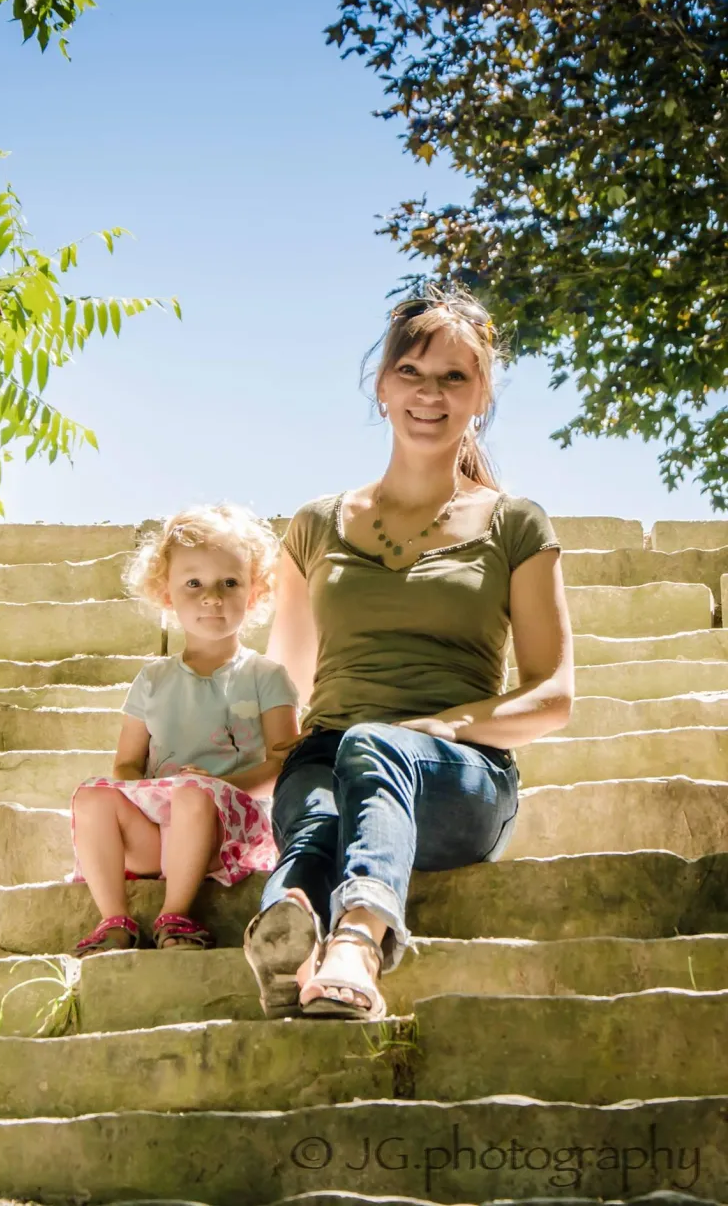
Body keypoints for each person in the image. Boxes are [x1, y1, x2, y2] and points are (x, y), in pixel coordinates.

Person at [243, 286, 575, 1021]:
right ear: (382, 386)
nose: (431, 394)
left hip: (461, 778)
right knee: (320, 810)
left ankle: (360, 939)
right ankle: (290, 931)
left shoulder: (515, 523)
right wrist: (212, 778)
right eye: (413, 373)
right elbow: (282, 686)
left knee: (372, 746)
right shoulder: (316, 525)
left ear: (482, 394)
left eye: (454, 376)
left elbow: (553, 694)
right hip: (328, 754)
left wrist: (442, 727)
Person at [69, 504, 300, 956]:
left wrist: (217, 784)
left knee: (193, 794)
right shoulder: (153, 679)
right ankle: (113, 920)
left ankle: (176, 914)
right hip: (156, 836)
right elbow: (127, 762)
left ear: (253, 593)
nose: (211, 597)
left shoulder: (266, 675)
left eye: (229, 583)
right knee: (93, 796)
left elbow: (282, 762)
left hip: (226, 835)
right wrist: (145, 795)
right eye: (193, 584)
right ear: (166, 594)